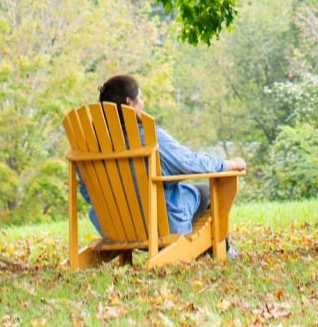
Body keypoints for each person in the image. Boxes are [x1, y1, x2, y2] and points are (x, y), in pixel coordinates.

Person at [82, 74, 247, 240]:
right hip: (162, 226)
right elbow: (189, 163)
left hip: (115, 228)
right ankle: (220, 248)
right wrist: (230, 163)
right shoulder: (149, 136)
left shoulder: (92, 144)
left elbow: (88, 193)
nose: (142, 102)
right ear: (129, 102)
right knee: (206, 191)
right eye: (140, 97)